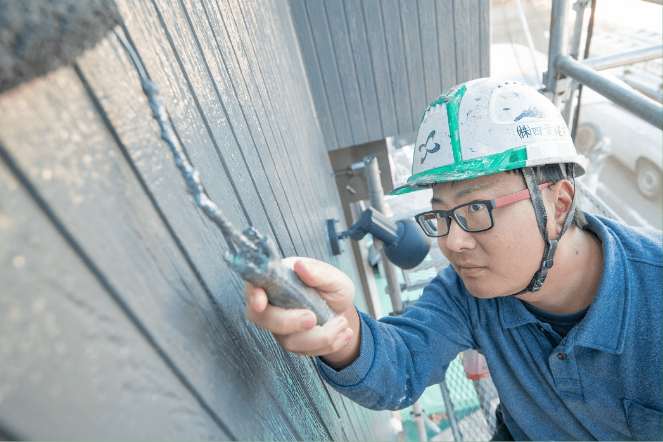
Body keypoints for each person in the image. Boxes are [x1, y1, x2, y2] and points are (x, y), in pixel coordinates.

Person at [244, 78, 662, 441]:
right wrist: (344, 333)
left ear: (558, 203)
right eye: (441, 215)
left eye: (477, 208)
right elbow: (402, 363)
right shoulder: (468, 294)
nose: (452, 242)